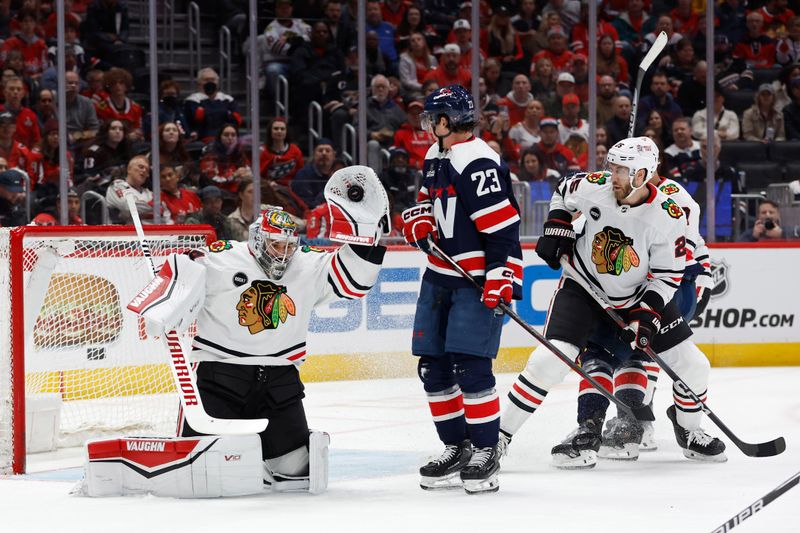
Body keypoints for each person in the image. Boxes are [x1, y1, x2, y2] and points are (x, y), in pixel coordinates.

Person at [131, 185, 386, 493]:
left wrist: (366, 230)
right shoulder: (221, 259)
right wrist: (167, 297)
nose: (284, 253)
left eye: (289, 246)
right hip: (221, 378)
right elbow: (177, 275)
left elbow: (354, 282)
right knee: (202, 474)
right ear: (257, 240)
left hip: (280, 383)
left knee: (297, 474)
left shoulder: (307, 263)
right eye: (276, 245)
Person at [498, 136, 726, 468]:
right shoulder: (595, 186)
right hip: (582, 288)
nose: (612, 175)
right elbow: (563, 190)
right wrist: (558, 224)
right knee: (549, 362)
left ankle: (689, 430)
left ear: (642, 175)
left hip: (635, 297)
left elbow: (668, 276)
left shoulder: (668, 215)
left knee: (694, 365)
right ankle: (498, 438)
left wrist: (645, 316)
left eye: (621, 170)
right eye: (613, 167)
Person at [401, 85, 523, 494]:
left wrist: (501, 276)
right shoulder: (435, 156)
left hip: (476, 280)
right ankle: (457, 445)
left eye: (430, 117)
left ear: (447, 120)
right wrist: (418, 220)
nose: (425, 125)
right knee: (432, 369)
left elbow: (504, 228)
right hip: (439, 276)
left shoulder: (478, 161)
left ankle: (486, 451)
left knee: (470, 369)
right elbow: (426, 202)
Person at [105, 155, 172, 224]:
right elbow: (128, 207)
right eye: (141, 167)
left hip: (151, 232)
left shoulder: (149, 194)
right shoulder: (117, 187)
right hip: (123, 232)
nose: (144, 170)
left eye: (147, 170)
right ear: (129, 169)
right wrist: (152, 205)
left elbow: (165, 214)